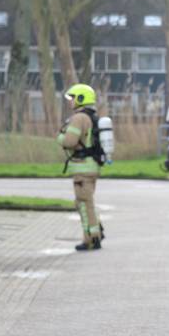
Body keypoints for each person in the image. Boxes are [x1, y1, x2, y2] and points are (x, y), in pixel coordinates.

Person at [57, 83, 104, 252]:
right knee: (85, 202)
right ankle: (95, 233)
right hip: (90, 167)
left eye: (73, 98)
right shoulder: (90, 116)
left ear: (81, 98)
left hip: (83, 169)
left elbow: (69, 141)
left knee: (84, 203)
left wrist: (60, 137)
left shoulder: (79, 118)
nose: (71, 102)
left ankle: (91, 239)